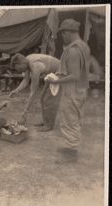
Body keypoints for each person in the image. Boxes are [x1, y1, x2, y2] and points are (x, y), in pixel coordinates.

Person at [46, 19, 90, 162]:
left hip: (72, 90)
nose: (62, 37)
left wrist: (56, 80)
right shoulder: (84, 46)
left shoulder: (73, 50)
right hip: (81, 89)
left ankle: (71, 154)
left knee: (69, 121)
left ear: (68, 33)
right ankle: (71, 147)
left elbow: (74, 75)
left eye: (63, 34)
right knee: (74, 119)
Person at [9, 53, 61, 131]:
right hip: (51, 75)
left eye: (18, 69)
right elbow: (26, 80)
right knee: (43, 98)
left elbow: (33, 92)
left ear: (21, 63)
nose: (19, 71)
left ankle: (49, 125)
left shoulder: (35, 66)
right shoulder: (27, 60)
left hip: (60, 72)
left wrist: (24, 114)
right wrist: (16, 91)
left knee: (49, 99)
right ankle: (46, 121)